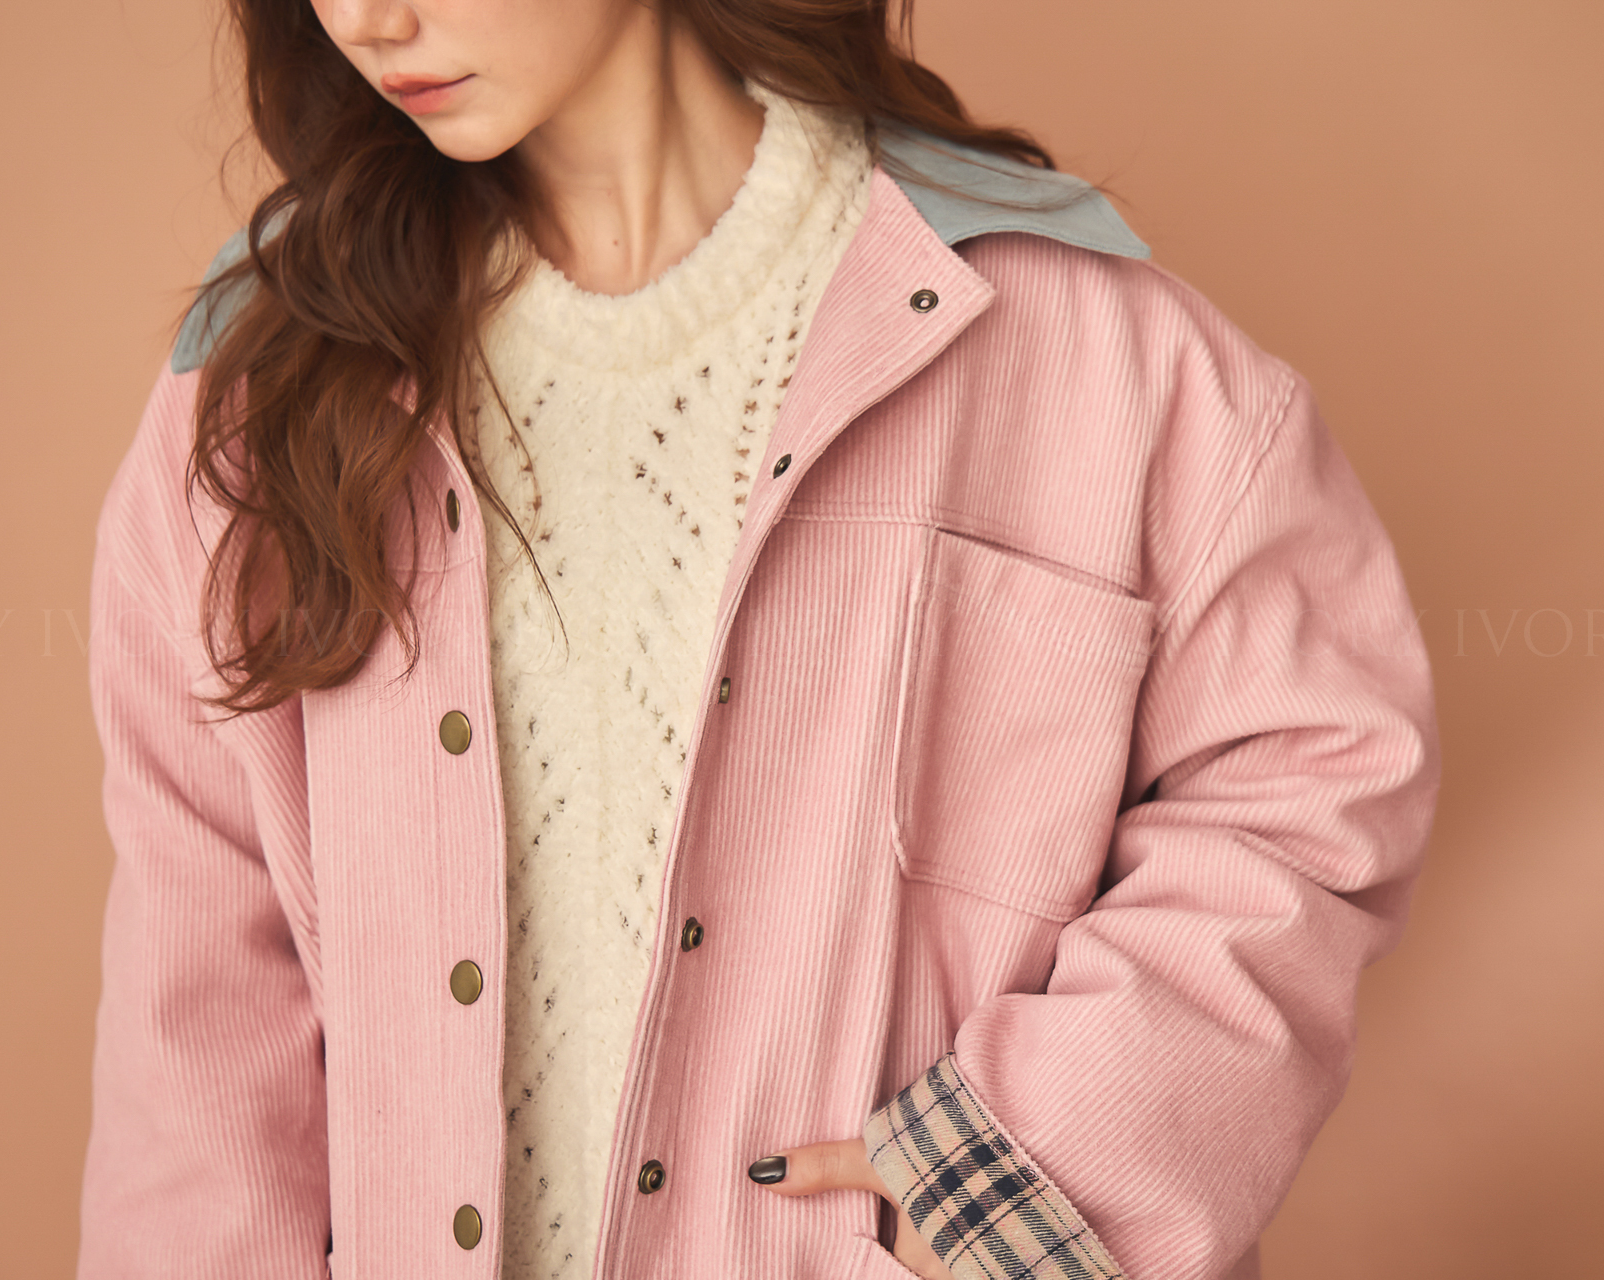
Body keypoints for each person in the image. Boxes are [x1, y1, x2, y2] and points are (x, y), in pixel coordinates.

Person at [78, 0, 1440, 1276]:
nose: (370, 20)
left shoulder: (1093, 354)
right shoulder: (258, 408)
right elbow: (198, 1007)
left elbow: (1309, 787)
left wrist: (1021, 1171)